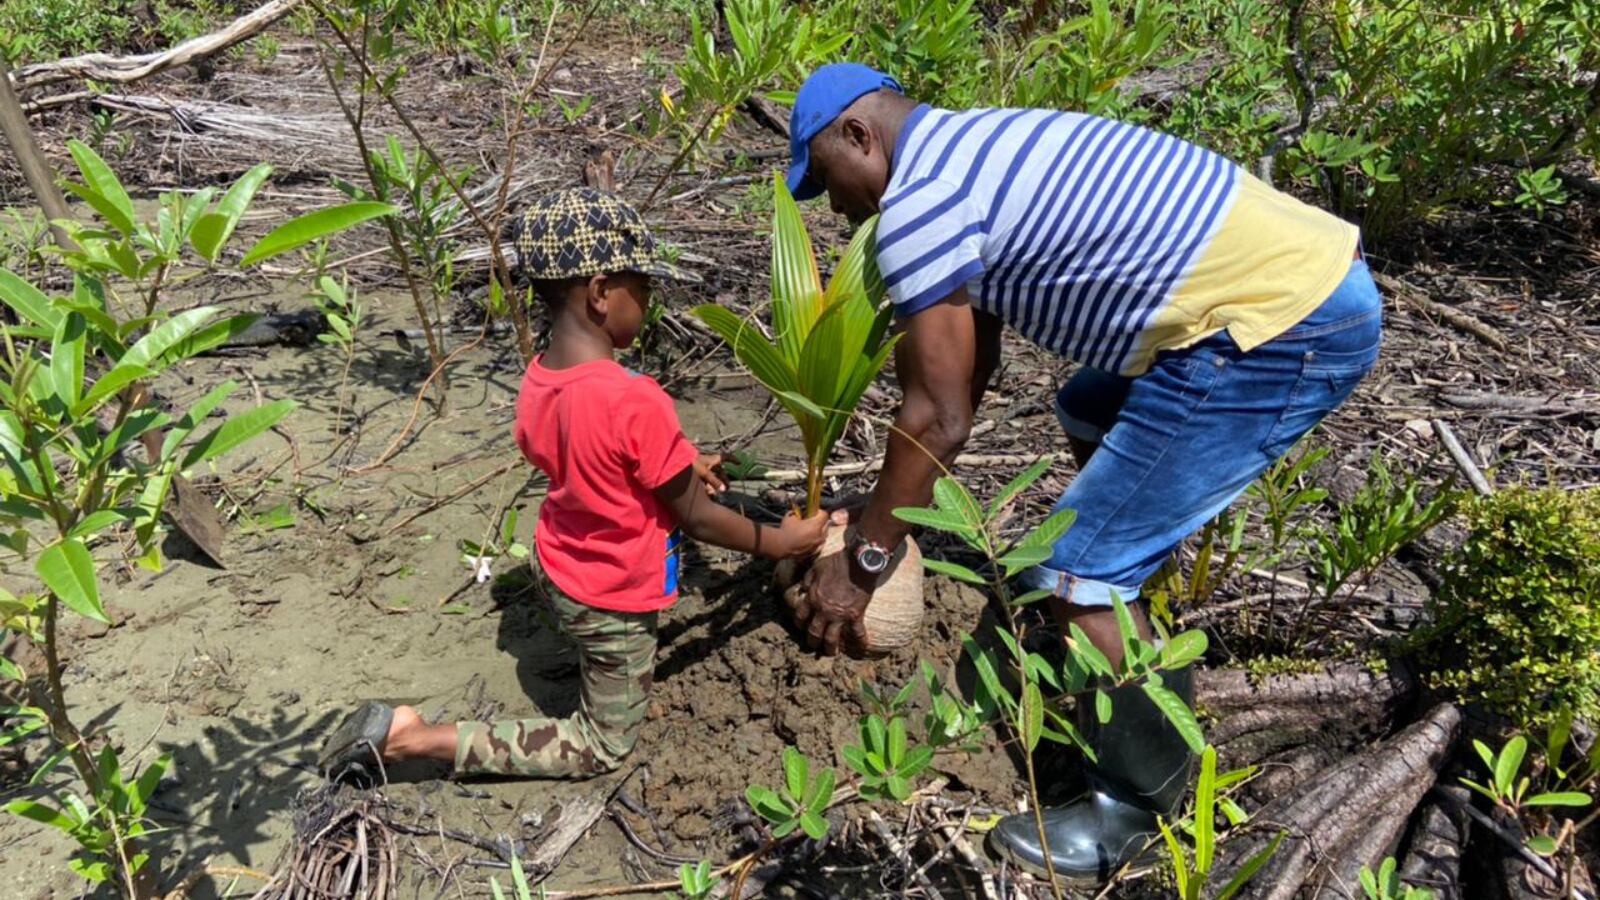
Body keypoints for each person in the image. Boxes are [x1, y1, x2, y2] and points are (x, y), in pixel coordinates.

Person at [783, 64, 1382, 882]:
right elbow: (966, 375)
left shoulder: (919, 205)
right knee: (1087, 409)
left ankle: (1138, 807)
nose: (837, 208)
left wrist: (864, 563)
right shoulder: (972, 146)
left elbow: (937, 417)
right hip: (1300, 284)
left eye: (826, 179)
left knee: (1080, 570)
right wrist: (893, 506)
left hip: (1275, 329)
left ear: (860, 135)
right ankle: (1128, 604)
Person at [320, 188, 831, 783]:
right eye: (641, 291)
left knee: (598, 637)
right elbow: (696, 518)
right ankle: (420, 740)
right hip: (609, 595)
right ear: (599, 293)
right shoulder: (634, 398)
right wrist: (780, 543)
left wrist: (679, 457)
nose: (647, 306)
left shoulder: (541, 377)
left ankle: (587, 655)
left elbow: (590, 450)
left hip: (558, 564)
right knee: (600, 749)